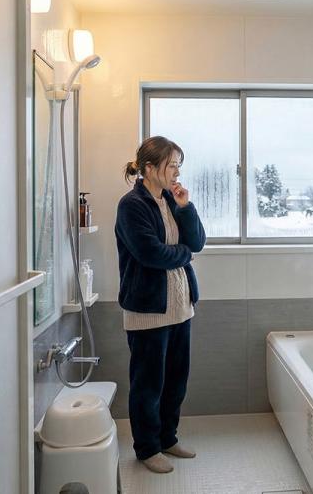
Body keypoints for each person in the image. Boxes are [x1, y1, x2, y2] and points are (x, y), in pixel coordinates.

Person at [115, 136, 207, 474]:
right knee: (148, 384)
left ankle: (167, 438)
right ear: (150, 168)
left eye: (179, 166)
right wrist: (185, 254)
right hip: (148, 311)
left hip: (180, 308)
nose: (177, 173)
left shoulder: (171, 199)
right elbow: (151, 253)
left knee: (175, 381)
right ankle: (147, 448)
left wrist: (185, 207)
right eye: (172, 166)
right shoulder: (132, 205)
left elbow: (197, 241)